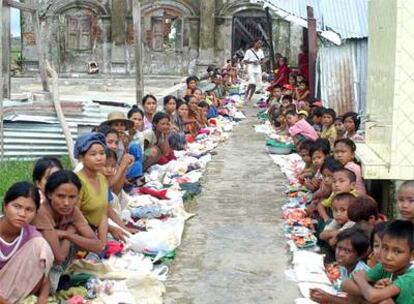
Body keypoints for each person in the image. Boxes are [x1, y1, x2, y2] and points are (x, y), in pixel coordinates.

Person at [32, 170, 104, 291]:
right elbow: (59, 257)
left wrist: (67, 234)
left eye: (72, 197)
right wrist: (71, 232)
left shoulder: (73, 211)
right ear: (49, 194)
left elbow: (98, 246)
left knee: (78, 240)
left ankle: (56, 277)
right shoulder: (41, 213)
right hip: (37, 265)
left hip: (57, 263)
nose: (66, 203)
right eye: (61, 196)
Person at [0, 182, 53, 304]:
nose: (22, 214)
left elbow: (46, 278)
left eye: (29, 209)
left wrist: (42, 300)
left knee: (41, 247)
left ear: (35, 213)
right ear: (5, 206)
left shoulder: (32, 238)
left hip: (12, 297)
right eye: (17, 206)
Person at [74, 132, 133, 243]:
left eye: (102, 153)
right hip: (82, 236)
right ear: (81, 158)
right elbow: (76, 218)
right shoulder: (77, 182)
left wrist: (124, 229)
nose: (99, 158)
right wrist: (107, 233)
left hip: (99, 232)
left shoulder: (102, 179)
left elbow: (106, 210)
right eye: (93, 154)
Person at [342, 220, 414, 304]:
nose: (388, 257)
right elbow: (345, 284)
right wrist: (371, 288)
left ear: (412, 255)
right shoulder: (385, 266)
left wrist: (361, 280)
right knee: (357, 294)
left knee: (384, 301)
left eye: (397, 251)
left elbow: (372, 296)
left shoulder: (411, 276)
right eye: (385, 248)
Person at [310, 227, 370, 304]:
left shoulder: (361, 273)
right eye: (339, 248)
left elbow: (353, 303)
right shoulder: (344, 266)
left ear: (360, 255)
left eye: (347, 251)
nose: (340, 254)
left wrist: (327, 297)